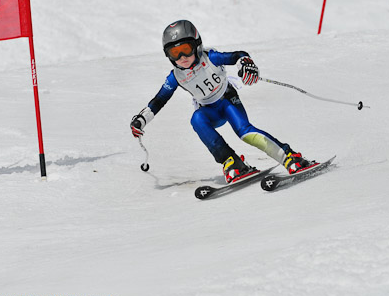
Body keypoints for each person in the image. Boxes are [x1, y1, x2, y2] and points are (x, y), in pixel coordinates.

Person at [130, 20, 310, 183]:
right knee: (197, 119)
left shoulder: (210, 58)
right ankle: (231, 162)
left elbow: (237, 55)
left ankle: (289, 157)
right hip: (209, 111)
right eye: (174, 53)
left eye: (186, 49)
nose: (182, 57)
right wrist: (142, 120)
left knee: (245, 132)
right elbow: (159, 100)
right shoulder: (176, 76)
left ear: (197, 45)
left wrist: (245, 63)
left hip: (227, 101)